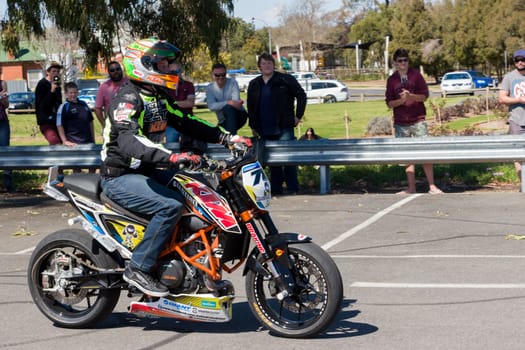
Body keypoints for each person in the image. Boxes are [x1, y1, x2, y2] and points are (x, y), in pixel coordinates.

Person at [100, 38, 251, 297]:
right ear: (143, 65)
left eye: (168, 62)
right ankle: (139, 267)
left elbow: (187, 121)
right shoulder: (126, 99)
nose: (170, 68)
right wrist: (170, 157)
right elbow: (129, 141)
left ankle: (191, 263)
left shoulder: (158, 97)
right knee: (169, 205)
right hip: (120, 176)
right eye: (163, 63)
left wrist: (226, 138)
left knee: (199, 190)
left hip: (146, 171)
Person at [247, 52, 307, 195]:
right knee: (273, 161)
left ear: (273, 65)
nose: (267, 66)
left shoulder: (285, 80)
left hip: (284, 125)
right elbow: (251, 105)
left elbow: (301, 95)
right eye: (263, 63)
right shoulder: (254, 84)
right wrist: (253, 125)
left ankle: (293, 187)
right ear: (259, 67)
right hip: (263, 126)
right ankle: (276, 189)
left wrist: (298, 116)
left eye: (269, 63)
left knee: (288, 158)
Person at [385, 48, 443, 195]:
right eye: (400, 61)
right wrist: (402, 100)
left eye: (405, 60)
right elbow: (390, 103)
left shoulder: (416, 76)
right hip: (400, 122)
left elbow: (424, 96)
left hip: (418, 120)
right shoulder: (392, 80)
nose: (403, 63)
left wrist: (411, 96)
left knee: (425, 153)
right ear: (395, 63)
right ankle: (411, 187)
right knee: (406, 156)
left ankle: (432, 186)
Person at [167, 61, 207, 154]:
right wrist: (180, 103)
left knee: (189, 143)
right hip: (171, 123)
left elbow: (190, 103)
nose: (174, 75)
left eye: (176, 72)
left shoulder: (188, 85)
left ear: (181, 72)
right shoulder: (166, 86)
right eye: (171, 72)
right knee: (171, 147)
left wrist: (172, 104)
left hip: (187, 121)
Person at [56, 82, 96, 173]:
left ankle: (91, 185)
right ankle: (77, 186)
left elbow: (90, 121)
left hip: (88, 141)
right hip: (74, 143)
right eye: (70, 93)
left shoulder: (84, 104)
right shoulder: (63, 107)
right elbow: (59, 125)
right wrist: (65, 141)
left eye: (75, 92)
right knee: (77, 168)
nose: (73, 95)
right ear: (66, 94)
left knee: (93, 165)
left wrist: (93, 138)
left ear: (78, 92)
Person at [498, 49, 525, 182]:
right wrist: (518, 100)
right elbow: (502, 98)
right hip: (517, 120)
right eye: (517, 60)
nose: (520, 62)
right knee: (518, 154)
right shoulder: (509, 77)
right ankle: (523, 183)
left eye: (523, 60)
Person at [206, 63, 248, 134]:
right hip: (223, 120)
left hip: (239, 116)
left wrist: (224, 104)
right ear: (213, 75)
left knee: (228, 108)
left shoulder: (233, 83)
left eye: (223, 74)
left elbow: (236, 103)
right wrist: (228, 102)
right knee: (214, 135)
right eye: (217, 75)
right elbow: (211, 106)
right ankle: (232, 137)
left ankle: (232, 138)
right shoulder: (210, 88)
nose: (221, 77)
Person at [35, 61, 63, 145]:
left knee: (63, 142)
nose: (56, 74)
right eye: (53, 71)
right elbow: (42, 106)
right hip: (46, 121)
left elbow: (59, 103)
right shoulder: (42, 85)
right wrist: (51, 91)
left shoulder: (57, 85)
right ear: (47, 72)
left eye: (57, 72)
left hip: (57, 120)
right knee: (55, 142)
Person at [95, 61, 128, 127]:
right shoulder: (104, 87)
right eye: (112, 70)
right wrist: (104, 124)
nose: (116, 72)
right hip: (112, 126)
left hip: (129, 124)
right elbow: (97, 108)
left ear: (121, 70)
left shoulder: (130, 83)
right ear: (109, 73)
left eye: (117, 69)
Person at [0, 70, 14, 192]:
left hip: (2, 121)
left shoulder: (2, 84)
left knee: (6, 150)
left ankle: (8, 181)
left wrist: (3, 98)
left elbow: (6, 105)